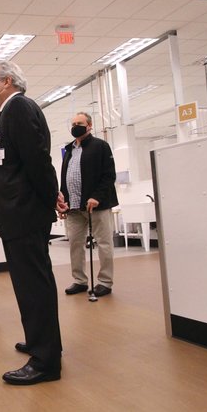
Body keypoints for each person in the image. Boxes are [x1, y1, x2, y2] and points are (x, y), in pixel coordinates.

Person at [0, 60, 63, 385]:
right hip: (17, 215)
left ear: (8, 81)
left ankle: (45, 361)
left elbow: (37, 160)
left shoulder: (19, 108)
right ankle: (39, 340)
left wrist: (51, 196)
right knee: (28, 284)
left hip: (25, 213)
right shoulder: (7, 112)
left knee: (34, 285)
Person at [58, 112, 119, 297]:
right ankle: (79, 280)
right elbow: (65, 178)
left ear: (90, 126)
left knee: (104, 243)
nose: (76, 126)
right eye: (74, 123)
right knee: (75, 244)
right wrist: (63, 201)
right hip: (74, 208)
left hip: (96, 205)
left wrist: (97, 196)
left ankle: (105, 282)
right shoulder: (69, 150)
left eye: (80, 123)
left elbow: (109, 176)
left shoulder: (100, 146)